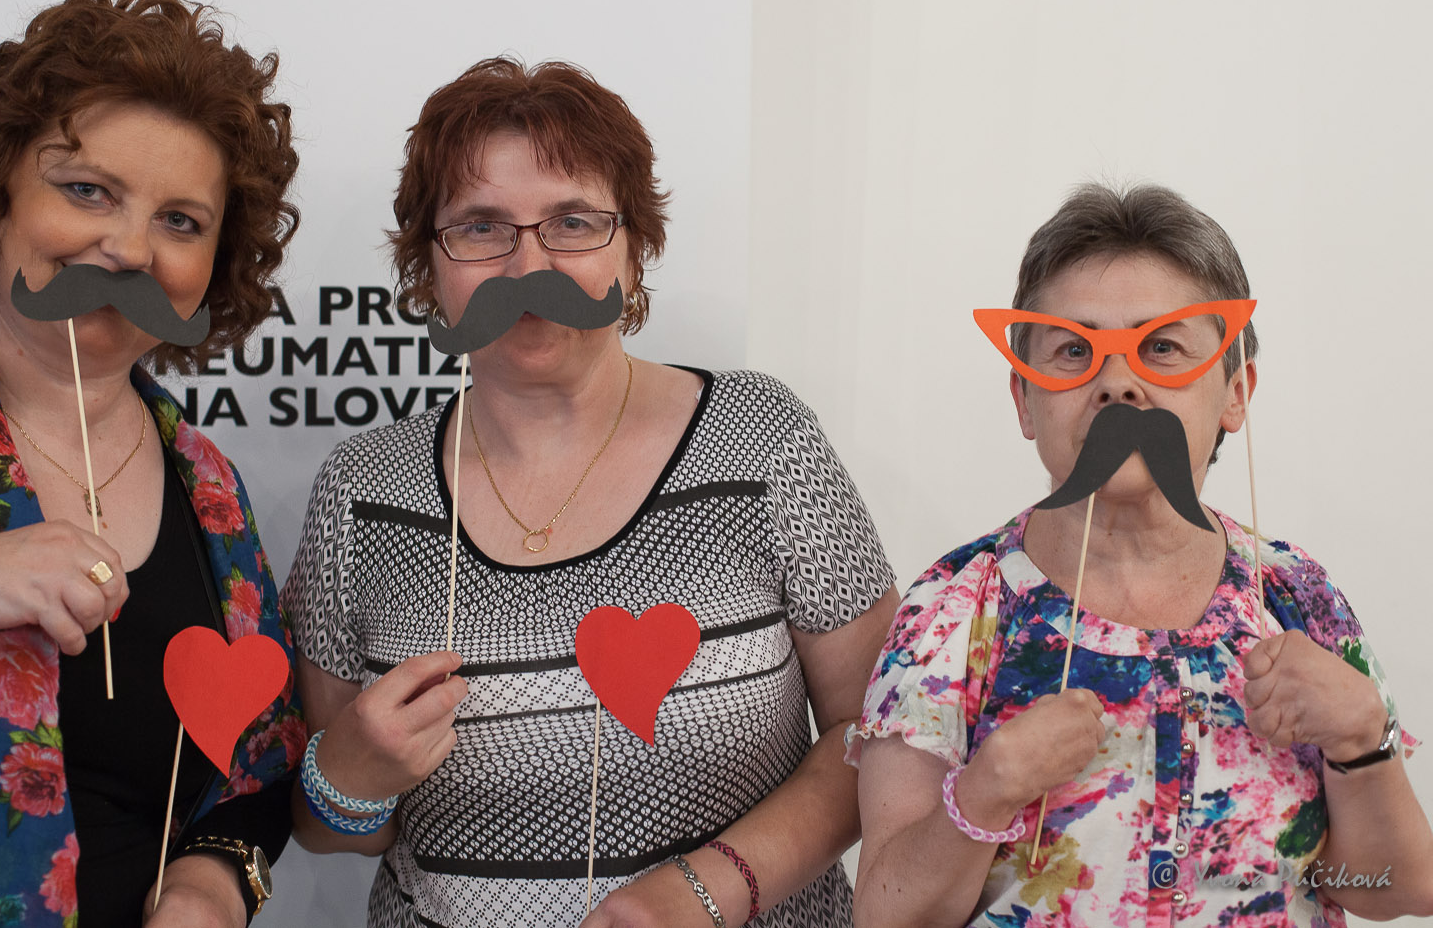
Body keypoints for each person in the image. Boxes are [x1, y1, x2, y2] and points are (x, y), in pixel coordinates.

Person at [280, 57, 900, 927]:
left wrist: (707, 891)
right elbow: (328, 828)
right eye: (481, 227)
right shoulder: (362, 490)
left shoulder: (762, 438)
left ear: (633, 250)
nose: (528, 263)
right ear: (430, 268)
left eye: (572, 222)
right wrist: (345, 777)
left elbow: (881, 734)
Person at [0, 0, 307, 927]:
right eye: (87, 190)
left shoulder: (208, 484)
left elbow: (259, 773)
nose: (129, 248)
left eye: (181, 221)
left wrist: (214, 885)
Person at [849, 184, 1433, 926]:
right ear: (1024, 399)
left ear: (1235, 392)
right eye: (1074, 350)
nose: (1118, 383)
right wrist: (986, 790)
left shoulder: (1295, 596)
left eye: (1161, 347)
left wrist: (1362, 741)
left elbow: (1394, 888)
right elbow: (885, 916)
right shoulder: (950, 615)